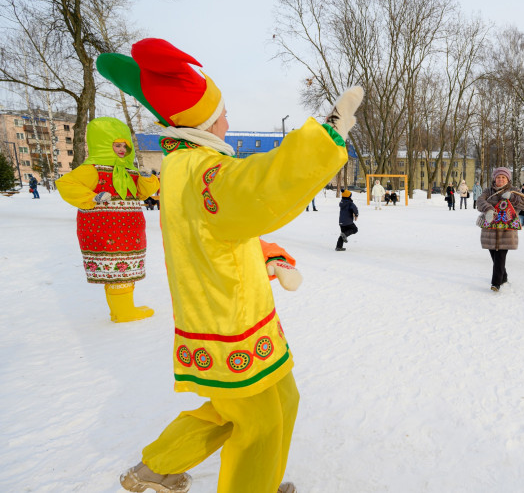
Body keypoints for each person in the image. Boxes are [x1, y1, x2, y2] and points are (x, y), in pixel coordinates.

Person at [98, 38, 363, 493]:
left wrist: (267, 256)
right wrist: (328, 134)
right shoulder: (207, 174)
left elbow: (215, 238)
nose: (228, 120)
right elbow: (261, 187)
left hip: (231, 321)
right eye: (221, 114)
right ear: (202, 122)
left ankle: (157, 466)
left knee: (262, 404)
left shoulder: (182, 166)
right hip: (229, 327)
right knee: (261, 422)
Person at [57, 117, 161, 323]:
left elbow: (141, 193)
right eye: (117, 145)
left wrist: (148, 179)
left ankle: (122, 308)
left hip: (129, 230)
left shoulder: (127, 169)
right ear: (103, 145)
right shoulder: (93, 168)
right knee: (117, 269)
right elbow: (66, 184)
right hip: (106, 230)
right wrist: (91, 198)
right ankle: (123, 312)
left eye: (125, 145)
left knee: (125, 270)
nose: (122, 149)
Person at [476, 167, 524, 291]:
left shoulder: (514, 190)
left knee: (500, 255)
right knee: (494, 255)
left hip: (507, 229)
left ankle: (495, 283)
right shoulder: (488, 191)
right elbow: (480, 201)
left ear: (507, 179)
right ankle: (503, 276)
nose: (500, 180)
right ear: (494, 178)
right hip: (490, 229)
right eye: (498, 177)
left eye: (503, 177)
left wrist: (512, 197)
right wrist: (488, 209)